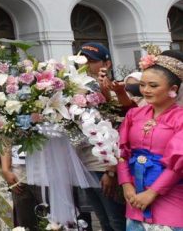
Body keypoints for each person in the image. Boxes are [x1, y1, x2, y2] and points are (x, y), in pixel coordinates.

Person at [118, 49, 183, 228]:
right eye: (143, 85)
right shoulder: (133, 114)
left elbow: (179, 163)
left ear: (173, 90)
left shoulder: (180, 118)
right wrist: (126, 186)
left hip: (171, 199)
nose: (145, 90)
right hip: (135, 199)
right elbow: (122, 152)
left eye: (153, 86)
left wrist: (152, 193)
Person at [76, 42, 129, 231]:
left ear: (107, 64)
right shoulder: (76, 87)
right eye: (82, 60)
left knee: (116, 219)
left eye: (91, 61)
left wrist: (111, 170)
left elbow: (120, 123)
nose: (86, 64)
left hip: (105, 163)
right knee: (103, 219)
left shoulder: (118, 88)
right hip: (84, 161)